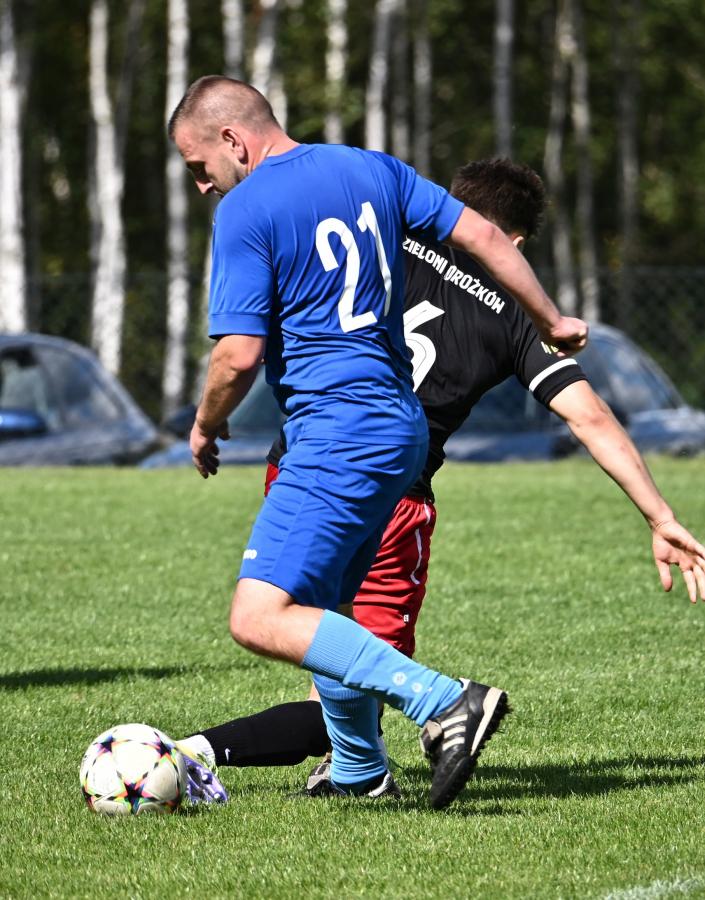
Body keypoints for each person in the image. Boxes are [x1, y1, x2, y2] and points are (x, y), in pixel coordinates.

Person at [176, 159, 705, 800]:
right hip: (395, 491)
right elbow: (589, 416)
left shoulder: (385, 236)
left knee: (324, 643)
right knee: (342, 657)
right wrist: (660, 516)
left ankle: (333, 767)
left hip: (309, 455)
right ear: (513, 242)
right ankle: (382, 743)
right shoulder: (515, 315)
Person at [168, 76, 588, 811]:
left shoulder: (246, 209)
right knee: (330, 608)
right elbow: (486, 237)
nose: (202, 185)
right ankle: (359, 768)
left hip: (337, 430)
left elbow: (237, 354)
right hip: (399, 429)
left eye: (198, 165)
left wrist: (204, 424)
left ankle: (444, 703)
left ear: (233, 139)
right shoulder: (373, 168)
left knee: (256, 617)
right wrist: (550, 319)